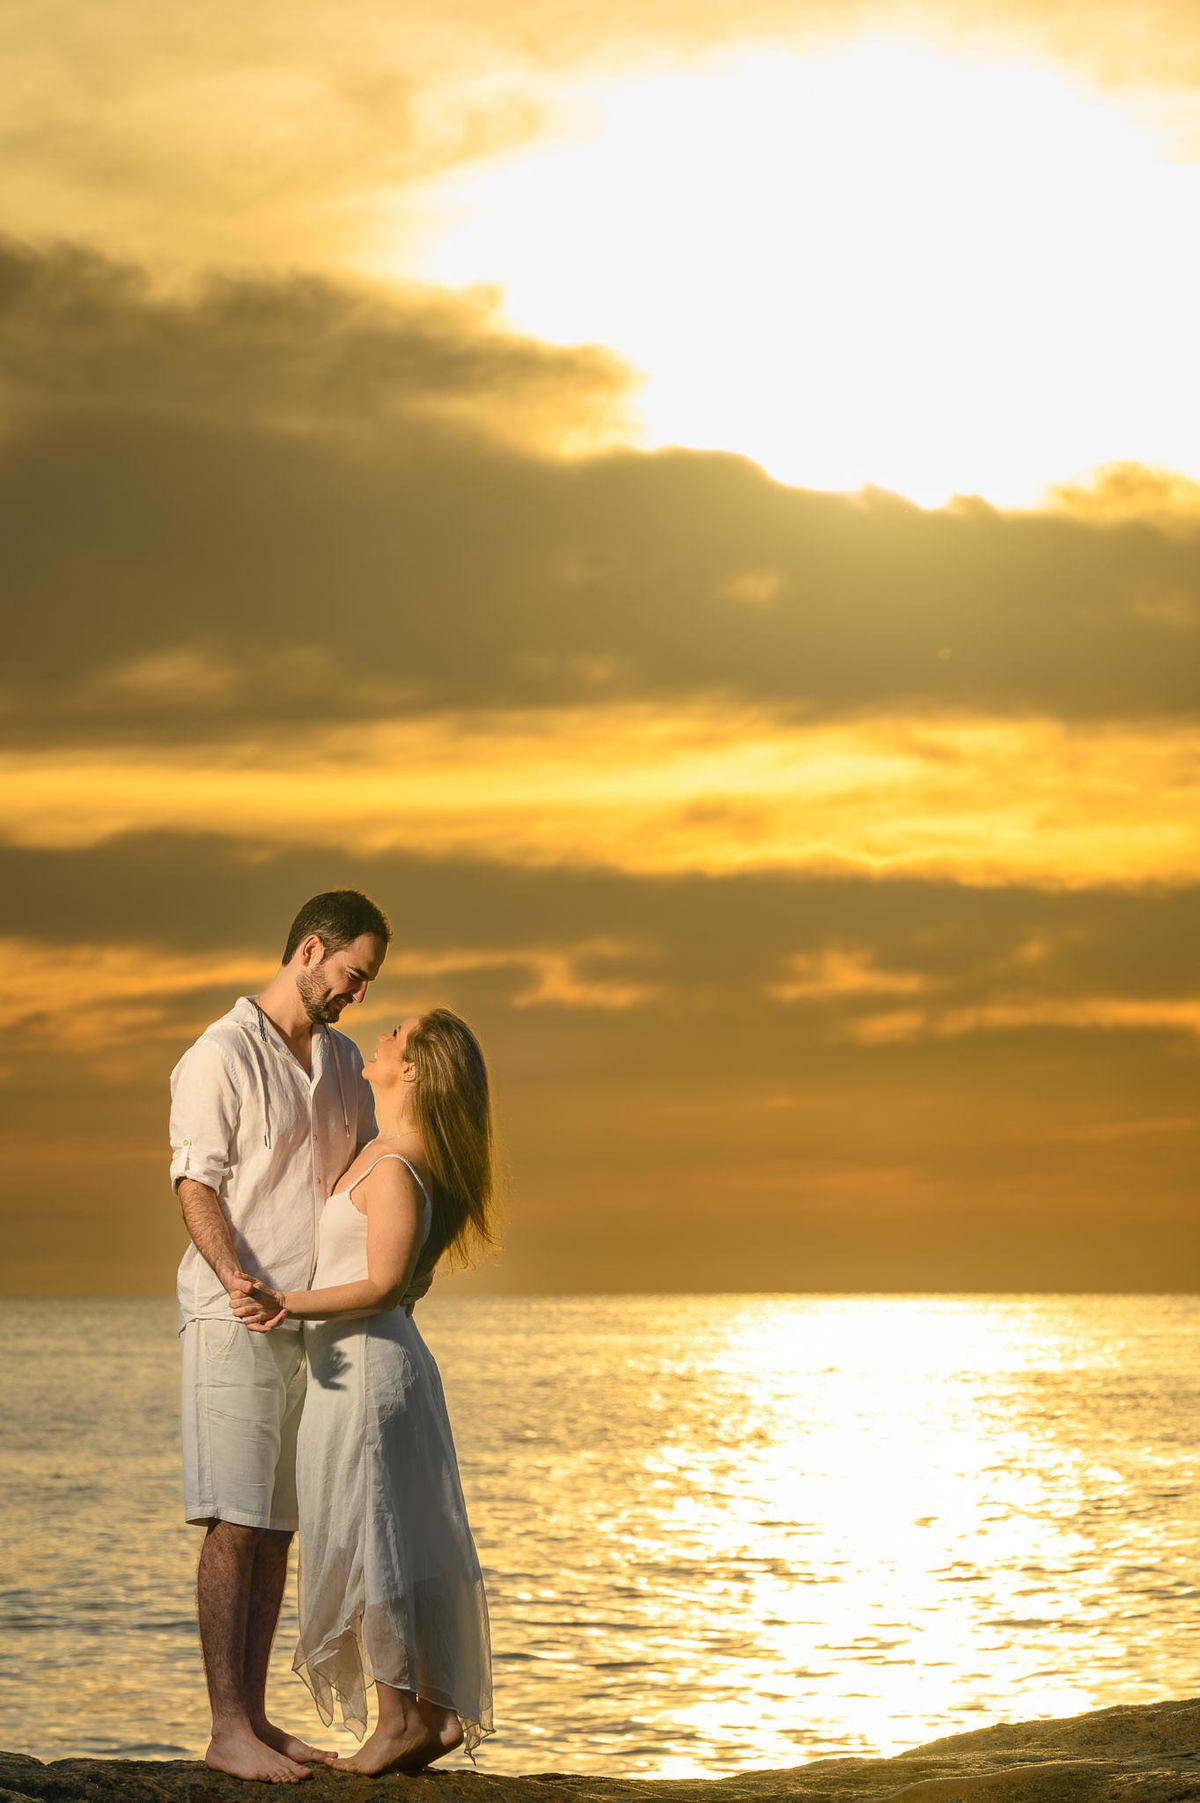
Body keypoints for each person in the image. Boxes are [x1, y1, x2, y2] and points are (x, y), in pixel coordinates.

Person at [230, 1008, 496, 1775]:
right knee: (396, 1535)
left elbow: (381, 1283)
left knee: (378, 1535)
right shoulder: (385, 1149)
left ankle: (396, 1719)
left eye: (396, 1034)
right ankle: (434, 1715)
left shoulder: (395, 1164)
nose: (379, 1037)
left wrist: (283, 1299)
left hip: (373, 1372)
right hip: (367, 1368)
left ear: (411, 1068)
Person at [169, 889, 391, 1784]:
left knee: (280, 1526)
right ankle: (226, 1729)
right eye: (352, 975)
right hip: (232, 1315)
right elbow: (196, 1185)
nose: (357, 996)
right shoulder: (219, 1054)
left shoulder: (341, 1062)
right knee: (235, 1518)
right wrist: (234, 1277)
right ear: (309, 950)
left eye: (367, 982)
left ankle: (254, 1718)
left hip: (317, 1321)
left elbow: (367, 1172)